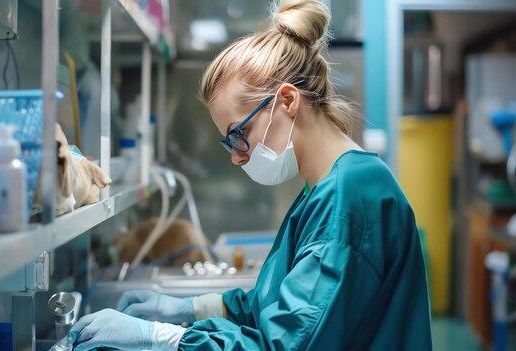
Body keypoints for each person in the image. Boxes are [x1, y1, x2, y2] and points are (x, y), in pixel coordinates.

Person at [66, 0, 432, 350]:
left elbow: (282, 343)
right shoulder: (327, 188)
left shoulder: (349, 200)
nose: (237, 158)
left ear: (287, 102)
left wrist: (163, 338)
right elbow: (274, 306)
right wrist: (186, 309)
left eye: (239, 134)